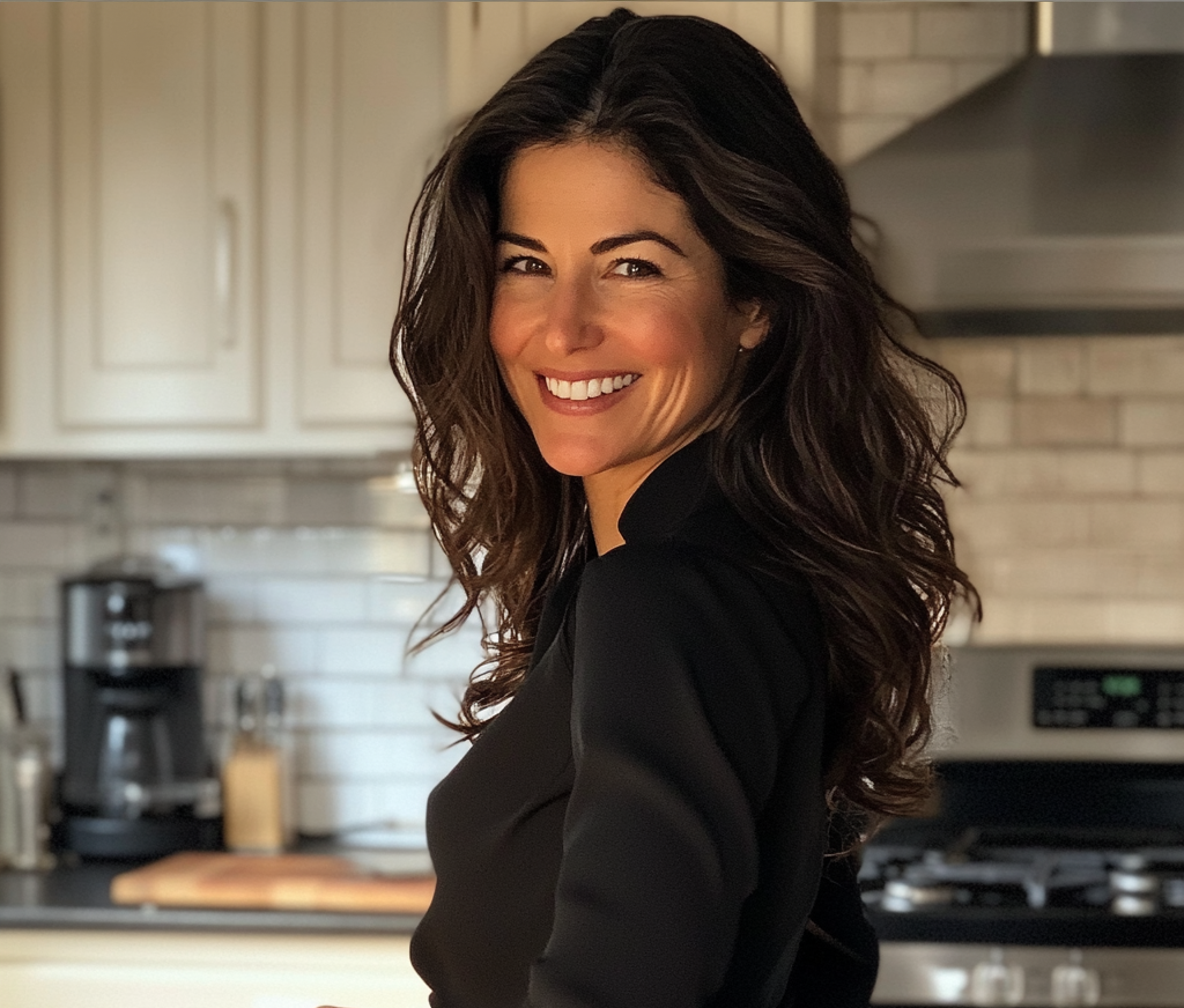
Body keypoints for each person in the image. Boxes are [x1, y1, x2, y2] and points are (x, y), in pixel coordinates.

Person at [391, 8, 978, 1008]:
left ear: (752, 301)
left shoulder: (663, 602)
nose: (563, 328)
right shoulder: (724, 576)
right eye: (524, 264)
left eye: (632, 266)